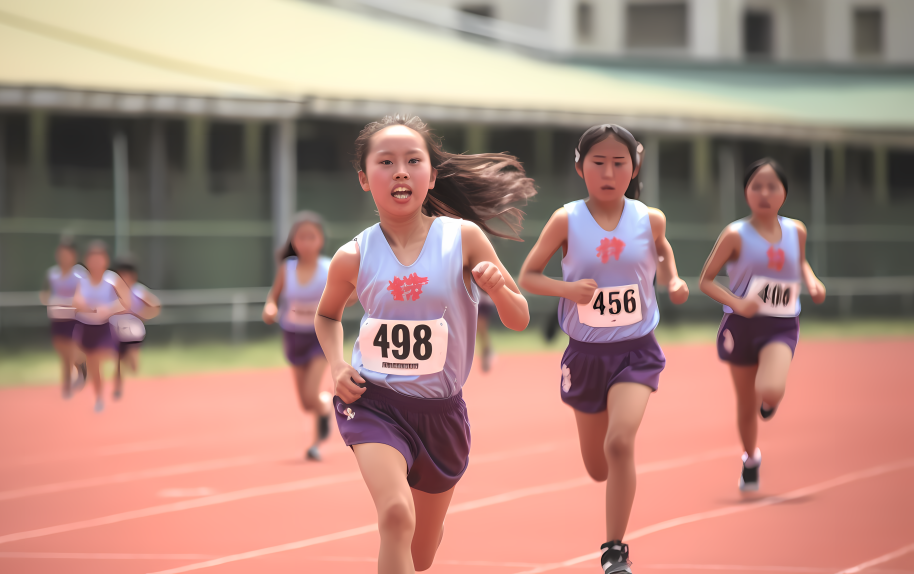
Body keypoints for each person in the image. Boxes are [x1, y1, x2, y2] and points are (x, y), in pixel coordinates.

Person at [315, 114, 535, 573]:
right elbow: (327, 314)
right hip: (374, 403)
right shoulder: (353, 256)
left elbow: (519, 318)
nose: (401, 171)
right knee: (396, 515)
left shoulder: (463, 238)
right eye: (386, 162)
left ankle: (427, 532)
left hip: (441, 413)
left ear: (431, 176)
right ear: (364, 178)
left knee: (421, 553)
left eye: (413, 161)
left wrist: (498, 288)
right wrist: (337, 365)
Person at [518, 124, 689, 574]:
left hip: (637, 351)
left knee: (620, 442)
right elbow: (528, 276)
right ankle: (613, 484)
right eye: (598, 163)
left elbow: (663, 250)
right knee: (597, 466)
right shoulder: (566, 220)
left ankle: (615, 550)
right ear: (580, 168)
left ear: (634, 168)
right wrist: (567, 289)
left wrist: (673, 278)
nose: (609, 173)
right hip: (585, 356)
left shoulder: (650, 219)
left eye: (619, 163)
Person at [698, 158, 826, 491]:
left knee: (769, 389)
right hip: (742, 326)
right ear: (746, 192)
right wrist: (738, 303)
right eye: (757, 187)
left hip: (781, 324)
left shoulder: (796, 230)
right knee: (745, 404)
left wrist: (812, 281)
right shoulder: (735, 234)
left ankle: (769, 401)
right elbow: (706, 280)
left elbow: (800, 261)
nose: (764, 193)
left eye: (772, 187)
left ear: (784, 192)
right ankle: (750, 458)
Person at [262, 212, 343, 461]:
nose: (306, 242)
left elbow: (341, 298)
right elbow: (273, 297)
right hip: (293, 335)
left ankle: (316, 440)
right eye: (301, 237)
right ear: (293, 241)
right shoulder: (287, 269)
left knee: (310, 393)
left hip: (319, 337)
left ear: (321, 240)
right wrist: (270, 308)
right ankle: (325, 404)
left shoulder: (329, 268)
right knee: (306, 404)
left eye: (311, 237)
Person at [72, 240, 131, 413]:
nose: (96, 262)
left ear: (106, 260)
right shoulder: (82, 281)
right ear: (87, 260)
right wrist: (83, 306)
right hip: (85, 326)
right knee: (93, 364)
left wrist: (109, 309)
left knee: (104, 356)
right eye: (92, 258)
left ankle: (116, 377)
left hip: (104, 327)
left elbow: (126, 302)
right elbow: (76, 302)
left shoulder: (112, 279)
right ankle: (98, 397)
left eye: (99, 258)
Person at [39, 238, 87, 399]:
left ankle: (71, 380)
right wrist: (49, 301)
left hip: (75, 319)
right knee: (63, 352)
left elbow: (84, 295)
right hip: (57, 318)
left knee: (72, 351)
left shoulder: (80, 274)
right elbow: (45, 294)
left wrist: (73, 303)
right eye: (61, 253)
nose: (63, 257)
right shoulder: (52, 274)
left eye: (67, 253)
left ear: (74, 255)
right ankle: (73, 374)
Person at [112, 257, 162, 401]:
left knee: (134, 365)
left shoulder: (138, 290)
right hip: (117, 329)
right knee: (118, 360)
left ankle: (129, 370)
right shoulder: (114, 290)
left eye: (127, 274)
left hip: (133, 331)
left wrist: (143, 314)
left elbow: (155, 306)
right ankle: (117, 388)